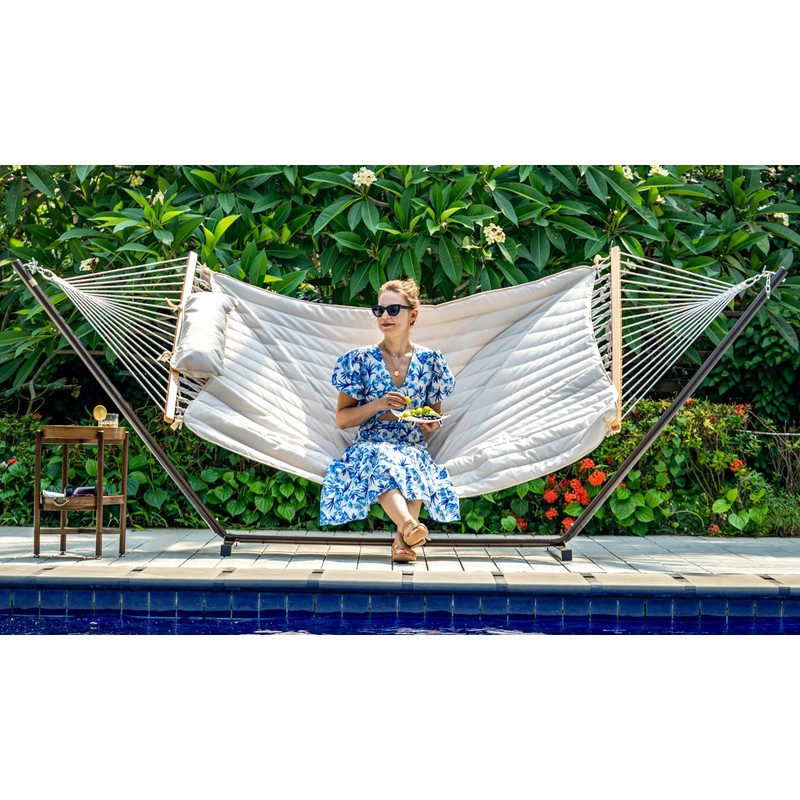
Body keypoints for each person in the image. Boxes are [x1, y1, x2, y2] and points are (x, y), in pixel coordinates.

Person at [319, 278, 460, 562]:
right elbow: (342, 419)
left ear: (413, 315)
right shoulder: (359, 360)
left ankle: (403, 540)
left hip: (411, 444)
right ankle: (408, 527)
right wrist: (378, 404)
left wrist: (431, 423)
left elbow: (433, 415)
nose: (385, 316)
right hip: (370, 444)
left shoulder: (430, 361)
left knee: (412, 463)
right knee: (383, 460)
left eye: (393, 310)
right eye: (379, 310)